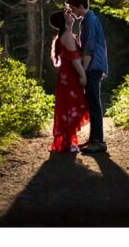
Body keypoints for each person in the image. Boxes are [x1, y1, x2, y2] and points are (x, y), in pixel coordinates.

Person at [66, 0, 108, 153]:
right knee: (92, 102)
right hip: (96, 65)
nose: (72, 12)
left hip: (93, 66)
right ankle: (94, 139)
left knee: (94, 103)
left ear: (81, 6)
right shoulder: (90, 19)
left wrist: (83, 71)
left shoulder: (89, 21)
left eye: (73, 8)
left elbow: (89, 50)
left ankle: (98, 141)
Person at [48, 9, 88, 153]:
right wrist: (83, 75)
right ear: (63, 20)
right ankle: (68, 141)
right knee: (74, 106)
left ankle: (68, 140)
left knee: (70, 107)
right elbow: (74, 59)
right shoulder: (66, 36)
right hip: (69, 76)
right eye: (67, 14)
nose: (71, 15)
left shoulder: (65, 35)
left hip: (67, 76)